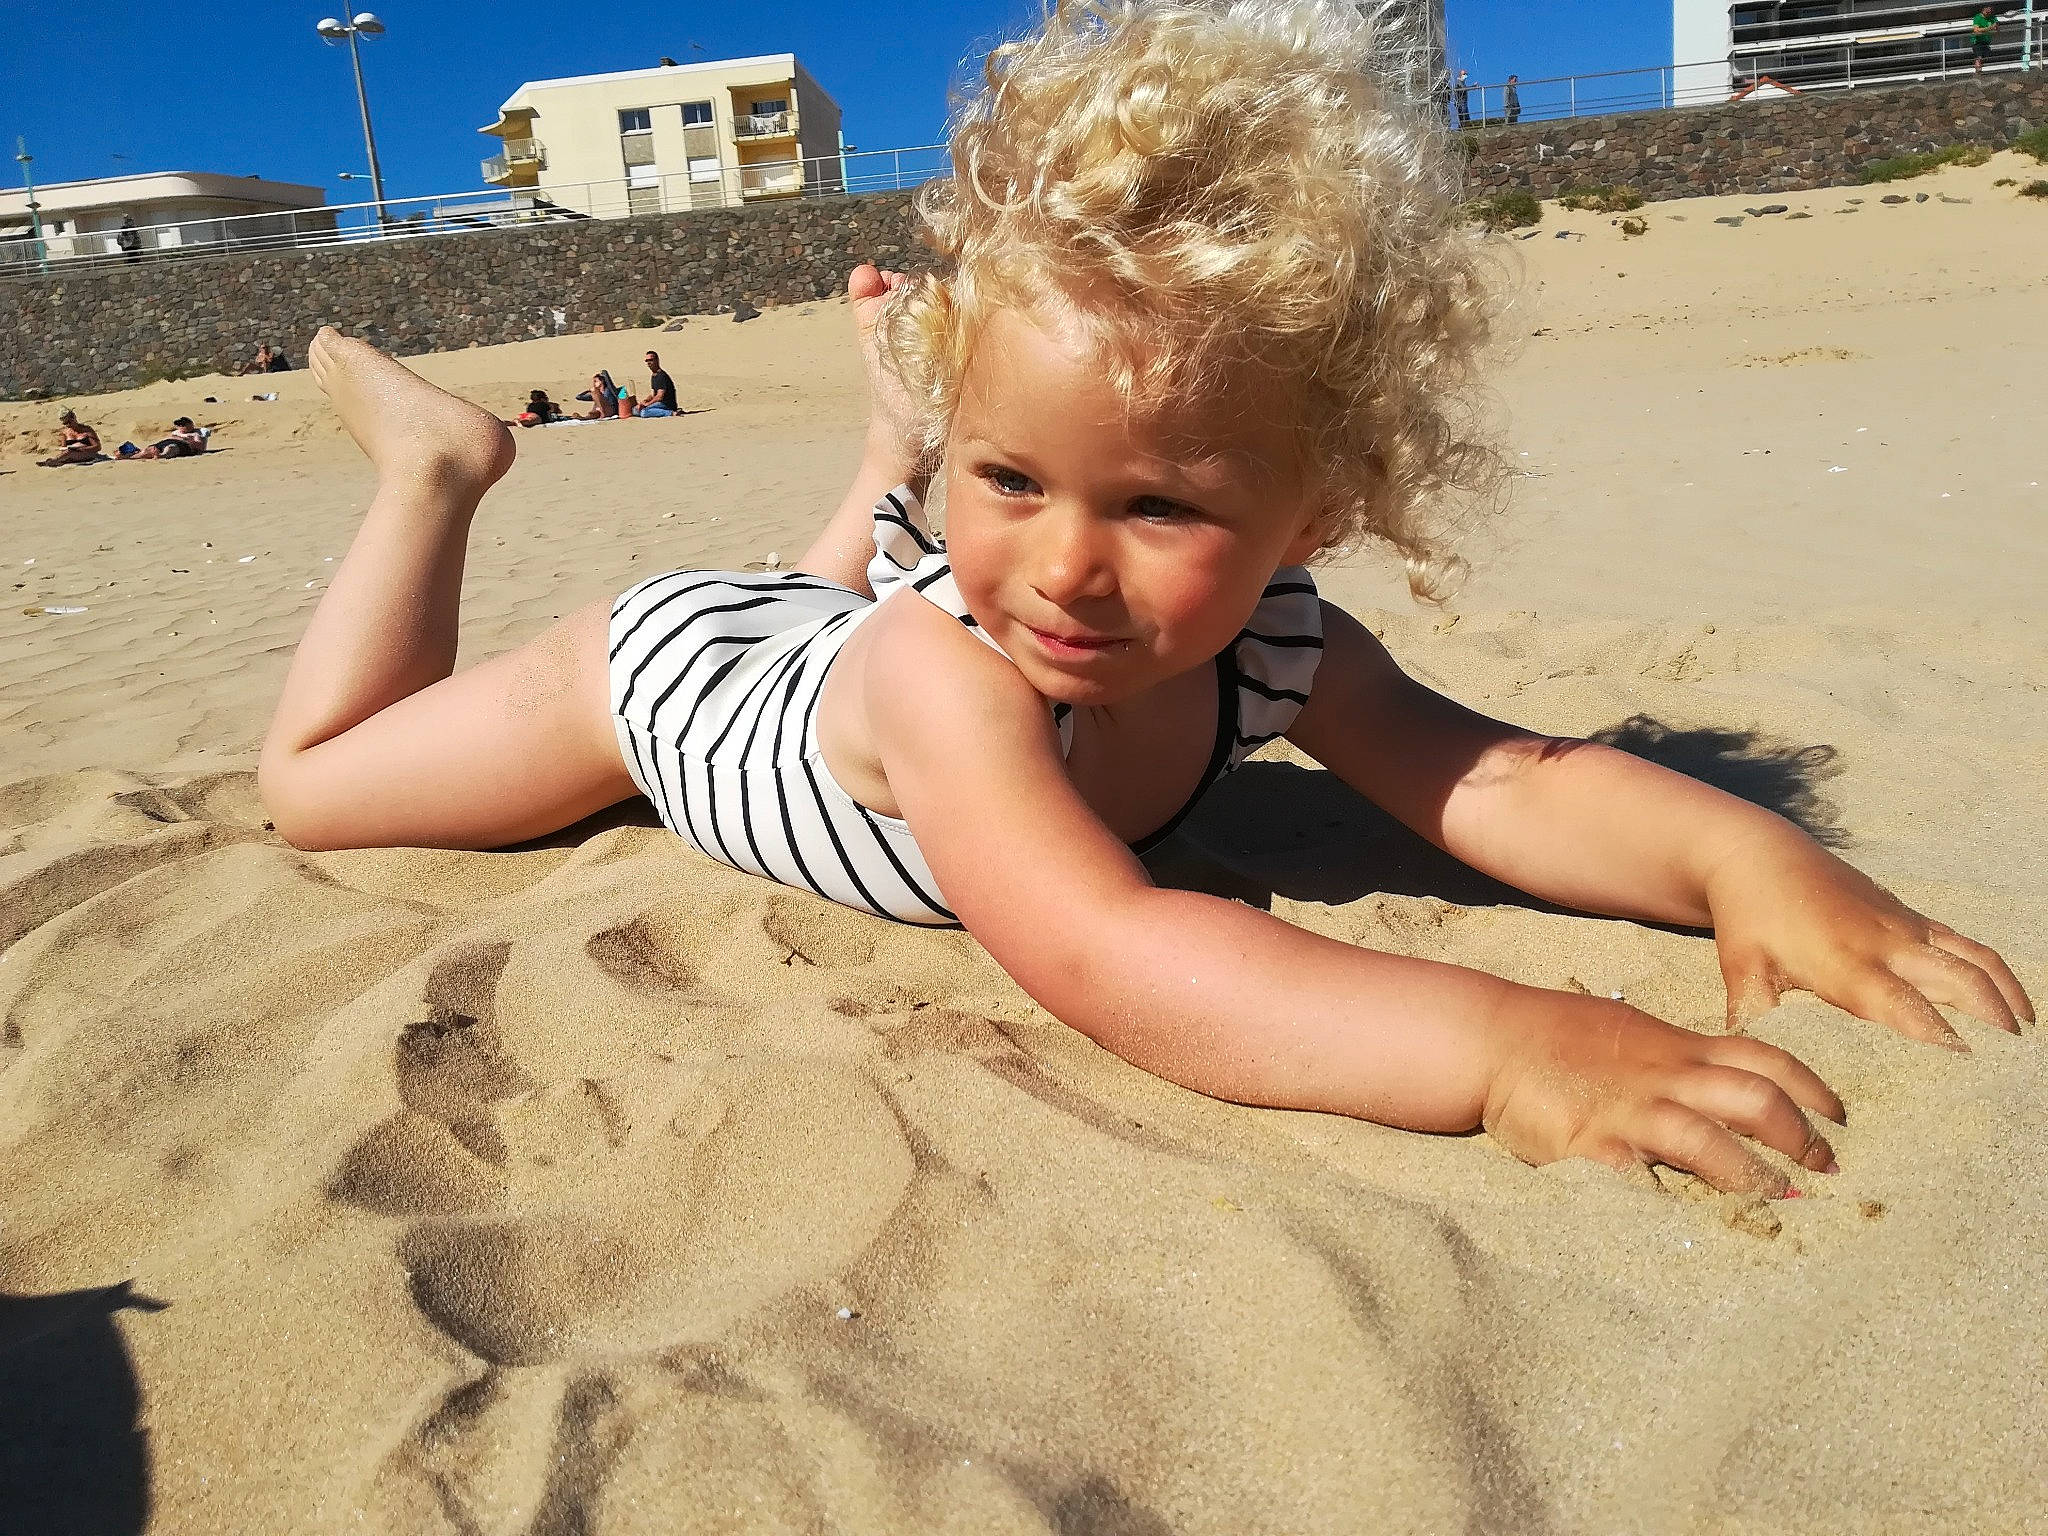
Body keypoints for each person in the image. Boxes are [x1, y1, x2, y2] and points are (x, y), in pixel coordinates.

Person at [258, 0, 2032, 1201]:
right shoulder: (969, 677)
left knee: (861, 596)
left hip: (837, 628)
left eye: (1163, 503)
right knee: (318, 785)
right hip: (676, 682)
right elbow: (1114, 955)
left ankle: (890, 471)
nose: (1070, 566)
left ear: (1309, 514)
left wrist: (1743, 857)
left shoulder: (1277, 638)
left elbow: (1496, 778)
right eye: (1010, 474)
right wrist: (1508, 1042)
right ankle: (436, 472)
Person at [37, 410, 102, 467]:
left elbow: (98, 447)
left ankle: (53, 461)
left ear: (74, 418)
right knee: (69, 451)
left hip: (88, 454)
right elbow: (63, 449)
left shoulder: (87, 430)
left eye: (69, 422)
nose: (68, 425)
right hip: (71, 455)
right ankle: (55, 460)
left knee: (70, 451)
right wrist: (70, 449)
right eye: (65, 423)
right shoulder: (65, 432)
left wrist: (81, 449)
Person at [123, 417, 209, 460]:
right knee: (149, 450)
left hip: (183, 445)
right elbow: (170, 437)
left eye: (186, 425)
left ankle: (160, 456)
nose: (183, 428)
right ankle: (129, 457)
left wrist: (188, 440)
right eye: (181, 426)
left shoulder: (195, 433)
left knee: (171, 448)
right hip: (167, 442)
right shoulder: (176, 432)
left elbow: (199, 446)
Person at [641, 350, 679, 415]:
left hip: (666, 404)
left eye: (650, 360)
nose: (648, 363)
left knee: (644, 412)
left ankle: (671, 413)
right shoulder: (654, 375)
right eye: (647, 361)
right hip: (658, 403)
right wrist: (645, 401)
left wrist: (647, 404)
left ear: (656, 360)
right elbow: (653, 394)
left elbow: (659, 396)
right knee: (635, 410)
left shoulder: (661, 376)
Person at [1970, 7, 1996, 73]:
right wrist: (1988, 28)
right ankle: (1978, 71)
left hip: (1986, 40)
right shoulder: (1978, 17)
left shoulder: (1992, 17)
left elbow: (1996, 25)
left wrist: (1995, 26)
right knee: (1979, 57)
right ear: (1983, 11)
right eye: (1987, 12)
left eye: (1990, 12)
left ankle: (1980, 70)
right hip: (1977, 41)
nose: (1989, 14)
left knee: (1985, 56)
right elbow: (1976, 30)